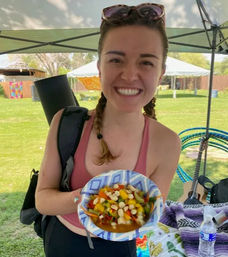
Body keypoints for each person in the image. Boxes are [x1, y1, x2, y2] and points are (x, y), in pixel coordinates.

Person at [35, 3, 181, 257]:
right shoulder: (66, 123)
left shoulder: (167, 143)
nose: (129, 74)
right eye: (116, 59)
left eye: (146, 63)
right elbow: (42, 200)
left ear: (160, 75)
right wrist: (84, 198)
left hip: (119, 249)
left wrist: (119, 207)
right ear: (100, 67)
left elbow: (150, 213)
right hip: (62, 241)